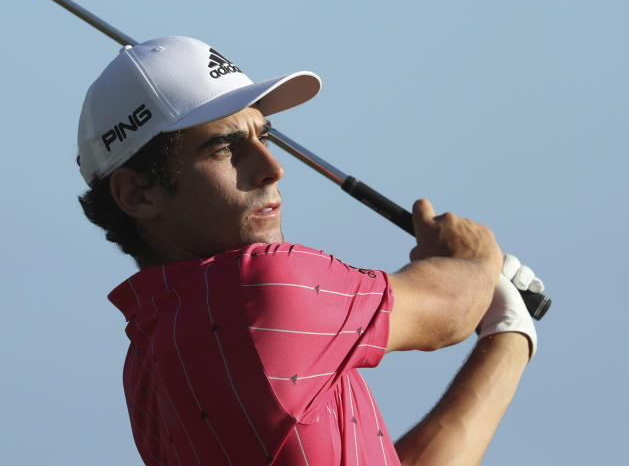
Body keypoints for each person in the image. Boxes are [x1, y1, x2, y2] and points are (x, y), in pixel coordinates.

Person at [77, 36, 543, 465]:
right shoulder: (256, 286)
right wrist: (472, 256)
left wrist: (508, 334)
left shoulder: (146, 366)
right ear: (137, 194)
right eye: (225, 148)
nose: (271, 167)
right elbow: (452, 307)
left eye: (265, 136)